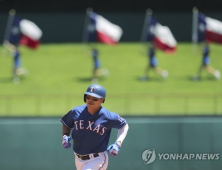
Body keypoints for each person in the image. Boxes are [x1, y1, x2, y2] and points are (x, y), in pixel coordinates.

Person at [60, 84, 129, 170]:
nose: (90, 100)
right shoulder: (76, 111)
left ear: (102, 100)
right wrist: (65, 135)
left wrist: (118, 143)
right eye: (88, 97)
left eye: (95, 98)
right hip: (78, 159)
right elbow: (67, 125)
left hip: (97, 159)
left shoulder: (108, 116)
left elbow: (124, 126)